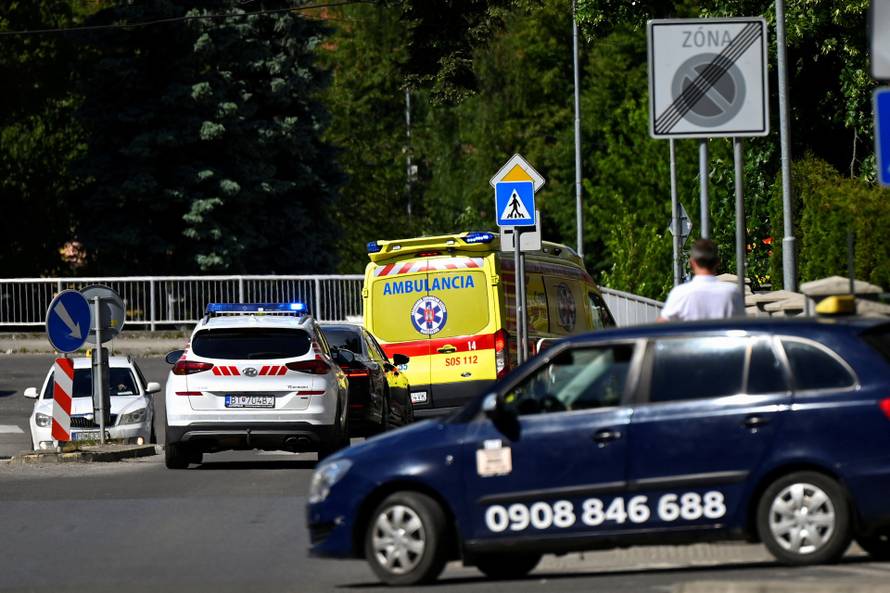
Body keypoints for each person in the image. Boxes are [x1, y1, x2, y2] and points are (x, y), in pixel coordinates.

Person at [657, 239, 744, 322]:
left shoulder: (680, 293)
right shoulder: (731, 292)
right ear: (717, 262)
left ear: (692, 263)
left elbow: (662, 325)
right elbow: (742, 324)